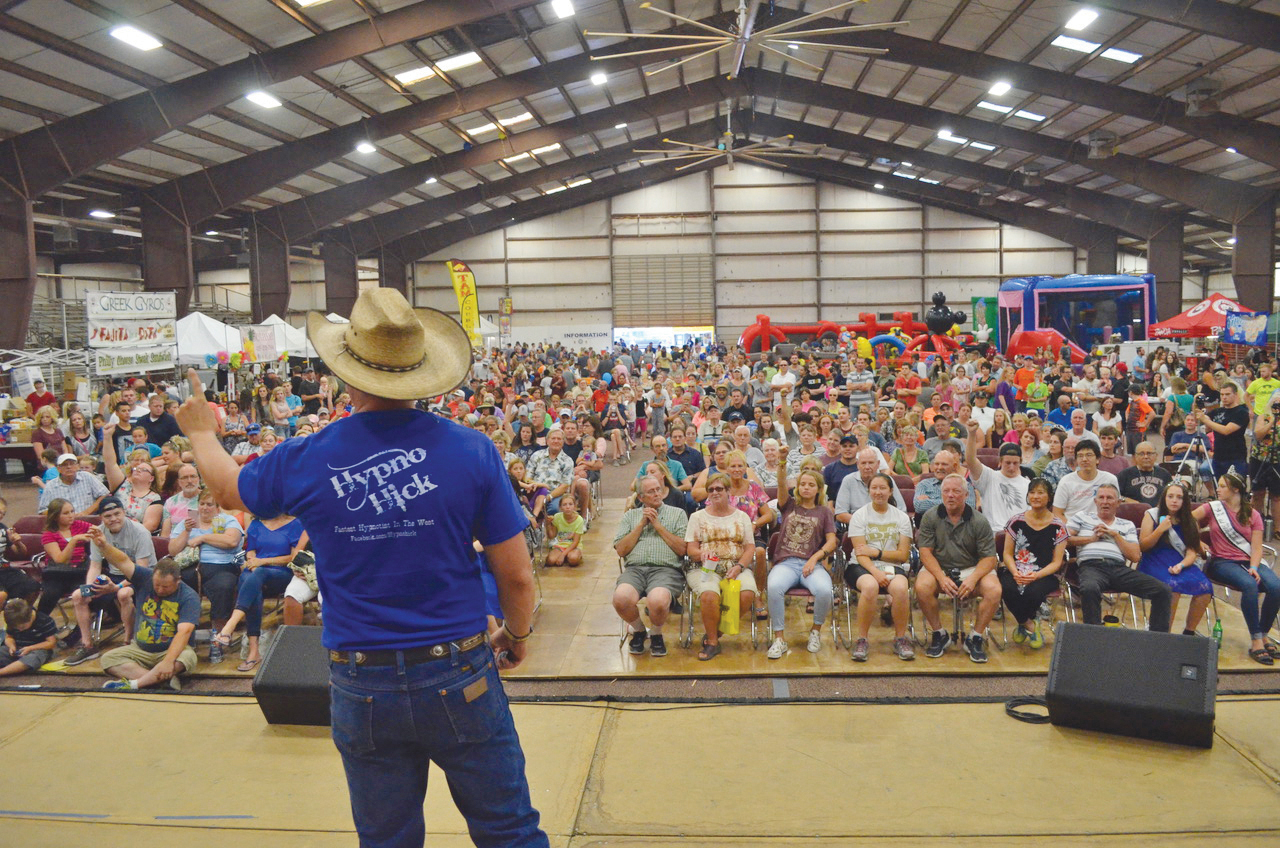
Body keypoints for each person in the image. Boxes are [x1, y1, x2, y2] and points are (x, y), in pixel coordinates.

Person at [175, 290, 547, 845]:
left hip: (360, 676)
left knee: (387, 838)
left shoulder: (306, 455)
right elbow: (517, 576)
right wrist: (516, 632)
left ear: (347, 372)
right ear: (421, 370)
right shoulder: (472, 451)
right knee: (508, 830)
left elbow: (230, 489)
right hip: (458, 668)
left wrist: (202, 432)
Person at [91, 530, 200, 691]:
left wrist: (168, 661)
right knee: (108, 659)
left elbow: (184, 632)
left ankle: (136, 684)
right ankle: (160, 680)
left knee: (188, 657)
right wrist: (104, 546)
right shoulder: (145, 577)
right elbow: (122, 561)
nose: (160, 590)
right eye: (157, 585)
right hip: (140, 650)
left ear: (178, 581)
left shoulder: (189, 597)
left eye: (165, 586)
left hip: (170, 651)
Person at [1195, 473, 1280, 665]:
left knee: (1276, 586)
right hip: (1220, 562)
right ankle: (1256, 640)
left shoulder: (1253, 514)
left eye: (1223, 486)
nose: (1218, 489)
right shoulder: (1212, 507)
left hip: (1247, 560)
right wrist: (1198, 541)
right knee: (1249, 585)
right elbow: (1187, 520)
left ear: (1235, 490)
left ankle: (1264, 633)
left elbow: (1257, 548)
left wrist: (1254, 567)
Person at [916, 474, 1001, 662]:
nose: (950, 495)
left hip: (972, 567)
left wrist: (972, 579)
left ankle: (975, 637)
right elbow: (925, 553)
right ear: (941, 494)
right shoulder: (930, 517)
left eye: (956, 491)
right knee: (922, 587)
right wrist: (940, 577)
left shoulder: (979, 521)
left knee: (994, 590)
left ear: (965, 494)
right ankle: (939, 633)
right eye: (946, 491)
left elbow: (989, 558)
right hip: (940, 567)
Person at [1066, 483, 1172, 631]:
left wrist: (1115, 535)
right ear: (1095, 501)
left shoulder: (1126, 525)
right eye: (1101, 497)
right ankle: (1094, 636)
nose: (1105, 501)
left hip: (1118, 569)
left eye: (1109, 498)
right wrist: (1091, 539)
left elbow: (1135, 556)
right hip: (1091, 567)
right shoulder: (1082, 517)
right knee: (1089, 588)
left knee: (1163, 590)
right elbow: (1063, 540)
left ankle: (1158, 638)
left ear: (1118, 503)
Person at [63, 496, 152, 667]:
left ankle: (128, 641)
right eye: (108, 516)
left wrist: (116, 587)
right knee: (78, 596)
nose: (113, 519)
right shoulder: (98, 533)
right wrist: (90, 588)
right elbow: (95, 566)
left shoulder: (140, 532)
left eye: (117, 514)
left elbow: (141, 570)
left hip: (141, 575)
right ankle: (87, 645)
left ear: (124, 513)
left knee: (124, 593)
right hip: (113, 576)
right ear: (102, 519)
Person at [211, 514, 308, 672]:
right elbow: (250, 552)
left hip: (282, 574)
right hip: (257, 573)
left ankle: (231, 625)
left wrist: (261, 563)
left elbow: (293, 557)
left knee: (253, 577)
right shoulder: (256, 524)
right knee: (248, 579)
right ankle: (254, 650)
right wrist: (255, 567)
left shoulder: (295, 523)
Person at [765, 453, 837, 659]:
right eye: (802, 484)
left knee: (824, 590)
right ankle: (779, 638)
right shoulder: (789, 505)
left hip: (811, 565)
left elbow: (832, 541)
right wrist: (782, 461)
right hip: (786, 563)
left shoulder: (824, 512)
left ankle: (815, 631)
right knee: (774, 587)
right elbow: (780, 484)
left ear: (818, 489)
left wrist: (815, 558)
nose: (806, 487)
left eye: (811, 484)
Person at [613, 476, 689, 657]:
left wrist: (657, 525)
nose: (657, 494)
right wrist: (641, 524)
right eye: (651, 491)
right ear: (641, 498)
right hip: (635, 569)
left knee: (658, 601)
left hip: (666, 570)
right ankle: (639, 630)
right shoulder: (630, 516)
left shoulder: (677, 514)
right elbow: (621, 550)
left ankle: (656, 633)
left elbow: (682, 549)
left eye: (658, 489)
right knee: (621, 599)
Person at [685, 472, 757, 661]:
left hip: (735, 564)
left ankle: (715, 632)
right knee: (709, 594)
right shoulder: (697, 517)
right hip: (705, 567)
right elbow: (690, 548)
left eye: (719, 489)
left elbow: (750, 547)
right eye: (711, 490)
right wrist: (701, 554)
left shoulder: (742, 517)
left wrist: (740, 566)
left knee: (748, 592)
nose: (715, 492)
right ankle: (713, 643)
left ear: (728, 491)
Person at [847, 472, 915, 661]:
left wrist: (877, 553)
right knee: (870, 586)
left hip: (891, 565)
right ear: (869, 491)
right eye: (874, 488)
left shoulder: (901, 517)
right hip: (861, 566)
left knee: (901, 588)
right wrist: (876, 572)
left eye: (882, 488)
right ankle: (862, 639)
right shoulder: (859, 516)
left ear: (890, 491)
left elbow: (902, 555)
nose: (878, 492)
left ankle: (900, 638)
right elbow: (861, 553)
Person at [1000, 479, 1067, 649]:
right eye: (1032, 492)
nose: (1035, 496)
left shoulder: (1059, 526)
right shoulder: (1016, 521)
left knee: (1033, 592)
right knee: (1006, 588)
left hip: (1043, 573)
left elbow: (1057, 562)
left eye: (1041, 492)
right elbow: (1007, 553)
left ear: (1049, 497)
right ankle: (1029, 623)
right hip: (1016, 569)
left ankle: (1023, 624)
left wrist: (1035, 575)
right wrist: (1015, 571)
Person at [1138, 483, 1212, 637]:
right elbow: (1143, 546)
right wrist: (1160, 529)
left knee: (1206, 587)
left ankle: (1188, 632)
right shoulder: (1151, 514)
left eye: (1179, 497)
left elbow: (1192, 553)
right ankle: (1165, 634)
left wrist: (1181, 565)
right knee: (1172, 587)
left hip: (1180, 561)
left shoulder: (1190, 520)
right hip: (1154, 560)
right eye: (1170, 496)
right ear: (1164, 498)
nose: (1174, 501)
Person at [1052, 441, 1118, 523]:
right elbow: (1057, 513)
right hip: (1073, 529)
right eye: (1080, 456)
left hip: (1102, 527)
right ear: (1076, 460)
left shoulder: (1110, 479)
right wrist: (1069, 529)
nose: (1084, 459)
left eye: (1089, 455)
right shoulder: (1066, 481)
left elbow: (1115, 509)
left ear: (1097, 459)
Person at [834, 447, 906, 521]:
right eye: (863, 463)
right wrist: (865, 524)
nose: (867, 467)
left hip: (885, 526)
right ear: (858, 464)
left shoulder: (887, 480)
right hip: (857, 526)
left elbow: (901, 511)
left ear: (878, 464)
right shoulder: (848, 480)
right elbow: (840, 514)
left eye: (871, 463)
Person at [1197, 380, 1249, 477]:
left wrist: (1205, 420)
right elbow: (1200, 419)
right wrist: (1197, 405)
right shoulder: (1217, 411)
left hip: (1235, 457)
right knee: (1219, 487)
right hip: (1218, 456)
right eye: (1222, 394)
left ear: (1235, 395)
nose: (1224, 397)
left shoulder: (1241, 412)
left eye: (1227, 394)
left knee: (1235, 487)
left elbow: (1226, 430)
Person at [0, 598, 58, 678]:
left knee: (33, 659)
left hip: (37, 649)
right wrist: (11, 646)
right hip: (18, 647)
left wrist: (30, 648)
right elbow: (9, 637)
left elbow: (51, 643)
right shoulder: (13, 621)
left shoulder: (44, 620)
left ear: (30, 617)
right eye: (16, 628)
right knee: (2, 651)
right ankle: (14, 666)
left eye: (22, 627)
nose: (19, 630)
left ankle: (3, 672)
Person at [37, 452, 108, 516]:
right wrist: (62, 516)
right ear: (58, 469)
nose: (69, 467)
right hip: (62, 525)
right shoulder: (51, 485)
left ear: (77, 466)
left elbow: (104, 495)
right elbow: (42, 511)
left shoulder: (87, 477)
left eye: (72, 464)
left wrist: (86, 512)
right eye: (64, 465)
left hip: (88, 521)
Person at [1117, 441, 1172, 507]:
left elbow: (1172, 494)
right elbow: (1116, 495)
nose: (1146, 457)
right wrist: (1126, 500)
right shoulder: (1125, 475)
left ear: (1156, 456)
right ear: (1135, 456)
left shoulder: (1164, 474)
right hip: (1133, 513)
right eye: (1141, 454)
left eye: (1149, 453)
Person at [547, 493, 585, 568]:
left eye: (570, 504)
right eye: (564, 505)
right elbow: (552, 536)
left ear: (574, 507)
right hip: (560, 545)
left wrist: (562, 555)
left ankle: (572, 555)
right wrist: (548, 525)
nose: (568, 507)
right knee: (550, 561)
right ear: (560, 507)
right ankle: (564, 555)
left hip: (573, 546)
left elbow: (575, 542)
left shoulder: (579, 520)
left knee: (573, 560)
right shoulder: (557, 517)